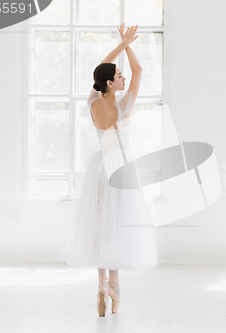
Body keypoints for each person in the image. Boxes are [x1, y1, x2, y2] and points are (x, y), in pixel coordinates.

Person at [57, 24, 158, 317]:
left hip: (99, 169)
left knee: (101, 227)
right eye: (118, 76)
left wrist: (120, 45)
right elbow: (138, 71)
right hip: (120, 170)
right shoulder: (123, 107)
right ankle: (114, 287)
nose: (124, 77)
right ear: (111, 84)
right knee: (117, 227)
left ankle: (101, 286)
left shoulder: (91, 103)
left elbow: (102, 69)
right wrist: (127, 45)